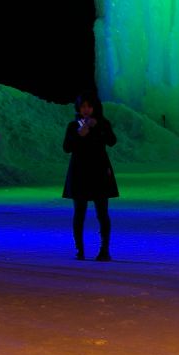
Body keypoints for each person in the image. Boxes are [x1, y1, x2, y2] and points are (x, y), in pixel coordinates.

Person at [62, 91, 118, 260]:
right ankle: (79, 250)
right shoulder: (73, 126)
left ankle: (104, 250)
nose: (85, 109)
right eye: (83, 106)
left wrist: (98, 127)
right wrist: (79, 134)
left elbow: (112, 141)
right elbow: (66, 147)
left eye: (89, 106)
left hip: (99, 172)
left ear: (94, 107)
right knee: (79, 212)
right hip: (79, 173)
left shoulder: (102, 123)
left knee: (102, 212)